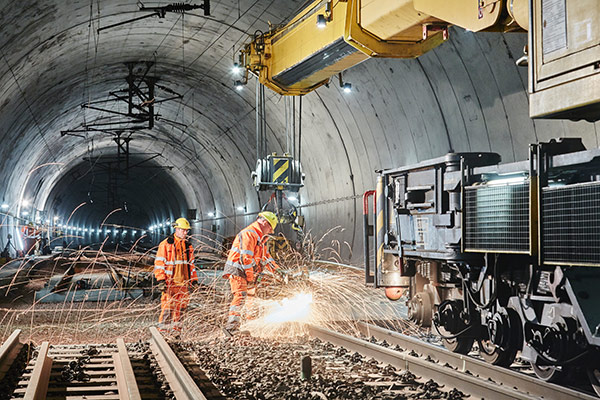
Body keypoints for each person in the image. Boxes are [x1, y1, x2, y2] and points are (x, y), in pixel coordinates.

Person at [223, 211, 282, 331]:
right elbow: (246, 258)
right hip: (238, 270)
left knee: (251, 296)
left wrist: (279, 272)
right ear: (264, 222)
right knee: (240, 295)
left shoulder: (260, 238)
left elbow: (266, 258)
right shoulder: (249, 234)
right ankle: (232, 326)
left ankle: (250, 323)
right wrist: (251, 278)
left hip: (247, 271)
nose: (270, 232)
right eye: (270, 228)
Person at [153, 217, 198, 333]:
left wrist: (194, 280)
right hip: (170, 284)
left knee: (181, 309)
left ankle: (176, 330)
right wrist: (161, 280)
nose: (185, 232)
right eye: (183, 230)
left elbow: (191, 266)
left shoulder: (188, 246)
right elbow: (159, 264)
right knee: (168, 308)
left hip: (183, 285)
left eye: (187, 230)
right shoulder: (166, 245)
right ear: (176, 229)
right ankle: (163, 331)